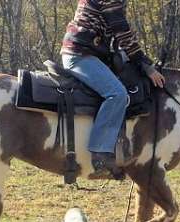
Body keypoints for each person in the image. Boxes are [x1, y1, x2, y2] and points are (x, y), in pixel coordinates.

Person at [61, 0, 165, 176]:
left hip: (88, 51)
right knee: (117, 94)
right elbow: (122, 33)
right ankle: (99, 153)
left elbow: (115, 36)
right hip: (80, 54)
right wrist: (147, 66)